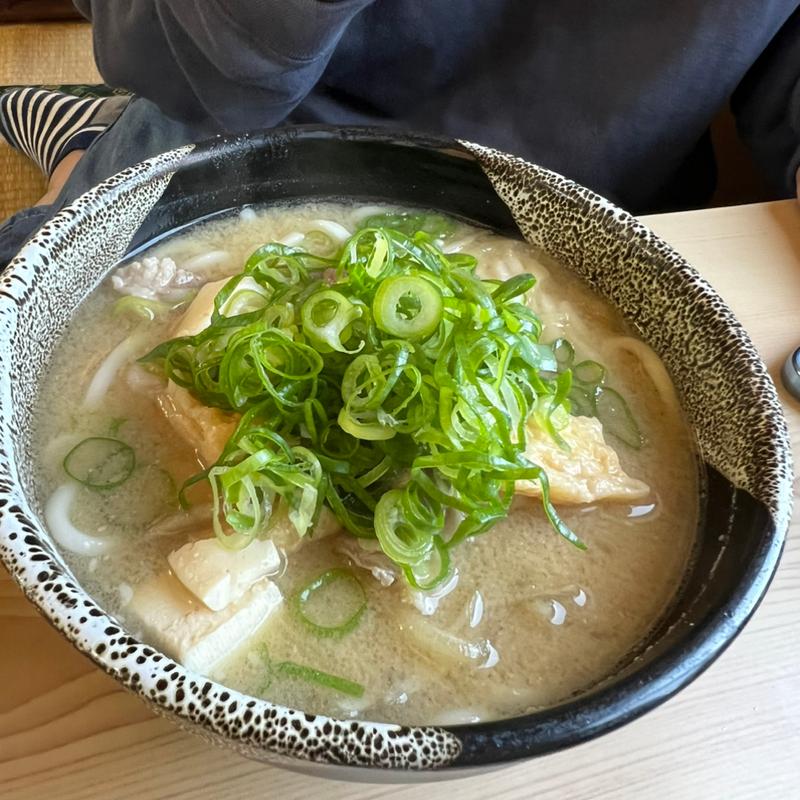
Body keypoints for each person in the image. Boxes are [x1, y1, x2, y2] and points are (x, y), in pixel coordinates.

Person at [1, 0, 800, 268]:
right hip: (225, 161)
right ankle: (80, 151)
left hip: (585, 229)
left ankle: (71, 139)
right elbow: (166, 60)